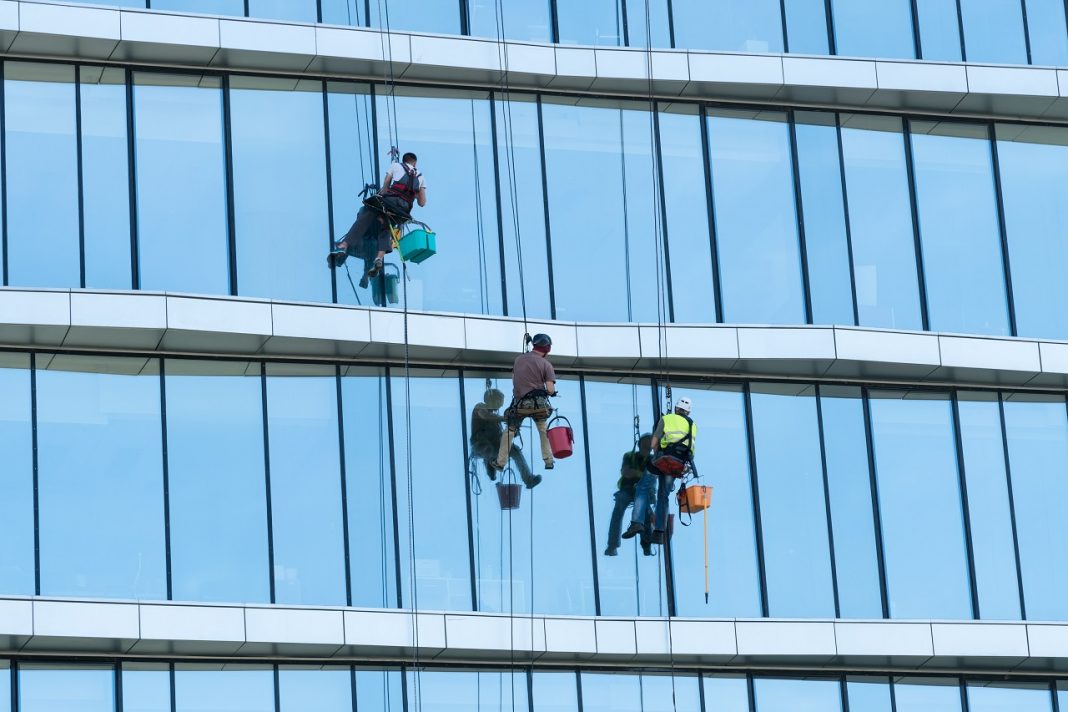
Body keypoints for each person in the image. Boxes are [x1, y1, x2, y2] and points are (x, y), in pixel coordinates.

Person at [327, 152, 427, 284]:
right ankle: (379, 258)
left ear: (404, 161)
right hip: (403, 211)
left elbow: (385, 186)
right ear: (415, 163)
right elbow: (422, 203)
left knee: (368, 212)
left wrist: (382, 196)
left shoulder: (396, 166)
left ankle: (344, 245)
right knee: (386, 226)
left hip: (390, 202)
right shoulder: (420, 176)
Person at [622, 397, 696, 544]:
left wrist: (656, 451)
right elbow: (691, 451)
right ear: (688, 412)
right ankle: (659, 532)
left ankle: (636, 523)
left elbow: (654, 443)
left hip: (663, 459)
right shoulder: (692, 425)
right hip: (677, 464)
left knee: (642, 487)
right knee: (664, 495)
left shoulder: (667, 419)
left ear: (676, 409)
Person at [495, 334, 556, 486]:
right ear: (547, 348)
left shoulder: (518, 360)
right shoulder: (546, 364)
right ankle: (548, 461)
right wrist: (550, 392)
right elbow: (550, 389)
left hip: (520, 405)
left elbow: (514, 380)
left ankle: (500, 463)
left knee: (509, 431)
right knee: (543, 430)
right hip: (539, 405)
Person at [469, 387, 539, 488]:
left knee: (515, 450)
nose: (500, 406)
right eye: (499, 402)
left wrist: (513, 430)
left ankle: (528, 479)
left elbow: (500, 436)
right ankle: (490, 463)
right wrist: (504, 419)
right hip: (480, 445)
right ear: (493, 401)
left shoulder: (495, 421)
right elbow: (485, 416)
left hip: (492, 447)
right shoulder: (480, 407)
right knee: (489, 448)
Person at [605, 434, 654, 557]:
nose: (647, 448)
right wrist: (641, 475)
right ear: (640, 445)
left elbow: (652, 477)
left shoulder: (653, 459)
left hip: (644, 492)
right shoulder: (629, 456)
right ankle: (612, 545)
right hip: (627, 489)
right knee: (619, 506)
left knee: (646, 512)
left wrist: (636, 474)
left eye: (649, 446)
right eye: (645, 445)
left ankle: (646, 544)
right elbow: (626, 472)